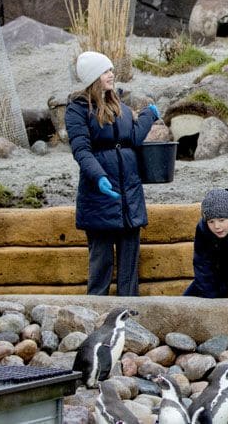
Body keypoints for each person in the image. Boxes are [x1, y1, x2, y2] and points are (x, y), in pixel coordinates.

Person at [65, 50, 159, 296]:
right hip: (99, 196)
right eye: (106, 71)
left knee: (130, 265)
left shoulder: (121, 106)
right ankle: (96, 312)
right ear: (94, 76)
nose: (111, 74)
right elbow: (81, 150)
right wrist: (99, 177)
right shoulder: (77, 110)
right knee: (101, 262)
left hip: (129, 194)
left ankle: (130, 313)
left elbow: (134, 138)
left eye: (110, 70)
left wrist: (149, 116)